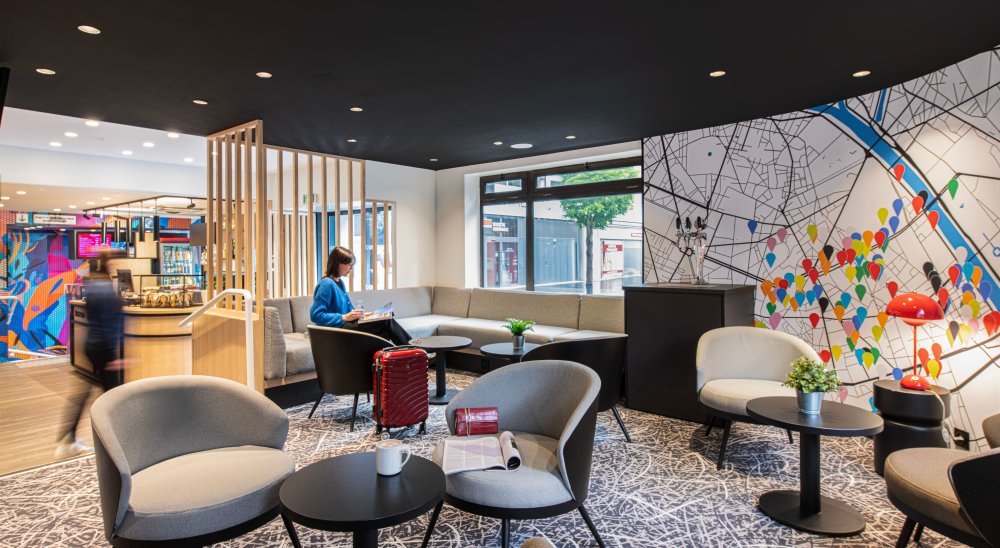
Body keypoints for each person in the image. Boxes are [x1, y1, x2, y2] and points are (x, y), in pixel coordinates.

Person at [57, 248, 126, 458]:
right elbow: (109, 324)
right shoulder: (107, 290)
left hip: (92, 346)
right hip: (104, 349)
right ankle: (117, 442)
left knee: (88, 393)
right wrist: (115, 356)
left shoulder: (94, 286)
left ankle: (68, 438)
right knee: (113, 398)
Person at [310, 246, 412, 345]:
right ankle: (411, 348)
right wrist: (343, 317)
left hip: (346, 325)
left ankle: (403, 353)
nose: (351, 268)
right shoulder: (326, 284)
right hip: (338, 329)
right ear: (338, 264)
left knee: (384, 333)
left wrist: (362, 316)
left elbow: (348, 312)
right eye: (349, 264)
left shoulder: (340, 283)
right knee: (386, 321)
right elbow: (316, 315)